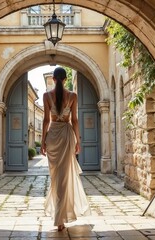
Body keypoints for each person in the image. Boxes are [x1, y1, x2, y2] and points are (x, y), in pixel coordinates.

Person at [40, 67, 90, 231]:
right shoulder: (73, 96)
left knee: (56, 178)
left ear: (54, 79)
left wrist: (42, 142)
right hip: (67, 135)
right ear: (66, 79)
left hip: (53, 136)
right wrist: (78, 141)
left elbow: (46, 121)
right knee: (65, 177)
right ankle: (61, 216)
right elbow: (74, 120)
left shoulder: (47, 96)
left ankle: (59, 217)